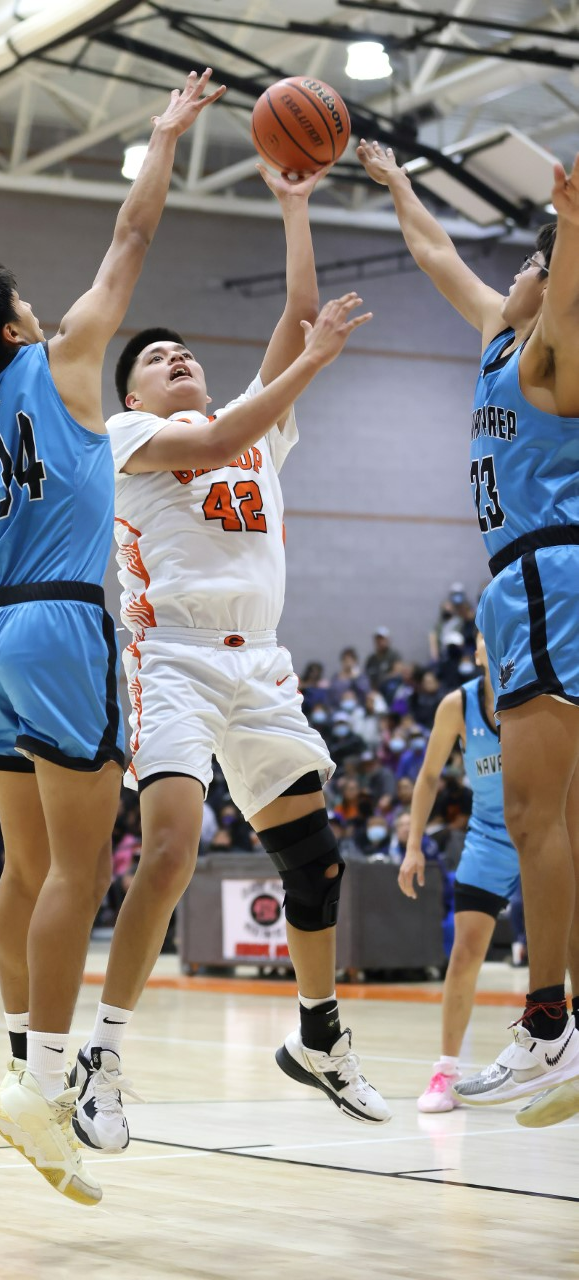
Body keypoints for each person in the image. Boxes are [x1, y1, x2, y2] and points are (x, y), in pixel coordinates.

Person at [0, 68, 226, 1205]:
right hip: (67, 622)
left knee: (26, 868)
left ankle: (23, 1068)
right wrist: (164, 135)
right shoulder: (69, 363)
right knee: (82, 864)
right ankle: (38, 1081)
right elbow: (131, 233)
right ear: (20, 322)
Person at [68, 163, 390, 1158]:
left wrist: (292, 201)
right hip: (169, 657)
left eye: (182, 351)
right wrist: (313, 365)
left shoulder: (252, 431)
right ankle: (102, 1056)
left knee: (312, 857)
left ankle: (320, 1034)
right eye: (156, 356)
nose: (175, 357)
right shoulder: (127, 434)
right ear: (132, 391)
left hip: (262, 667)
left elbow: (298, 315)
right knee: (169, 853)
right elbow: (243, 413)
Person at [357, 139, 579, 1125]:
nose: (514, 272)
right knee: (560, 820)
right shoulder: (501, 332)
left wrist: (571, 219)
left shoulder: (551, 343)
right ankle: (558, 1021)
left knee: (535, 817)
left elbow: (563, 290)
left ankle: (546, 1020)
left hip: (548, 572)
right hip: (533, 579)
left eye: (529, 262)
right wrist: (399, 186)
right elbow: (439, 255)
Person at [398, 634, 523, 1111]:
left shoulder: (536, 696)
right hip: (489, 837)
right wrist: (413, 847)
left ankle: (560, 1055)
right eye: (482, 641)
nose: (489, 647)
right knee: (465, 952)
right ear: (474, 653)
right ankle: (445, 1071)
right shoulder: (458, 704)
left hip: (542, 833)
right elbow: (429, 776)